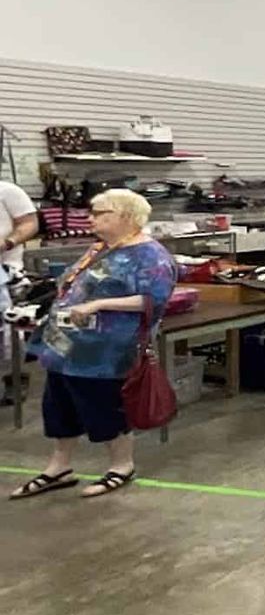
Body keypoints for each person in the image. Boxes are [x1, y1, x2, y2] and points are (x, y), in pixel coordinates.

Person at [10, 189, 176, 501]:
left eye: (101, 214)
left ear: (126, 217)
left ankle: (122, 465)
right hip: (66, 345)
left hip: (106, 350)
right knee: (60, 405)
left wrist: (99, 304)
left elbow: (153, 300)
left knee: (103, 407)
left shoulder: (151, 256)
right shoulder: (101, 249)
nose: (92, 219)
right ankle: (59, 467)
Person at [0, 179, 38, 404]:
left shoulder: (8, 191)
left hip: (6, 269)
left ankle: (14, 377)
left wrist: (7, 242)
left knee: (8, 329)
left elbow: (29, 223)